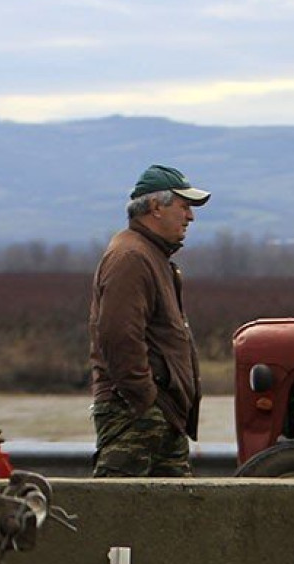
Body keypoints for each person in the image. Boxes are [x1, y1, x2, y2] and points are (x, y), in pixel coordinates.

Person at [88, 164, 210, 477]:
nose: (190, 217)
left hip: (160, 416)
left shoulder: (151, 256)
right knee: (118, 516)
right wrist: (145, 398)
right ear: (155, 207)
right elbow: (118, 335)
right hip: (136, 417)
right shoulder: (131, 257)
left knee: (172, 521)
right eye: (184, 207)